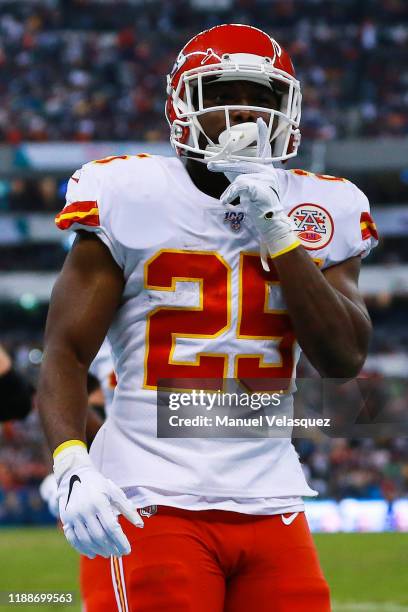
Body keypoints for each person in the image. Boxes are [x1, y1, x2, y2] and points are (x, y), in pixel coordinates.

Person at [38, 24, 378, 612]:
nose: (245, 112)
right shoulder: (129, 191)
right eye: (223, 93)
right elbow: (65, 351)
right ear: (183, 106)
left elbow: (343, 359)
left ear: (288, 109)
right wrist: (70, 462)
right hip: (149, 496)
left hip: (273, 499)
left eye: (263, 97)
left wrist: (277, 229)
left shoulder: (326, 205)